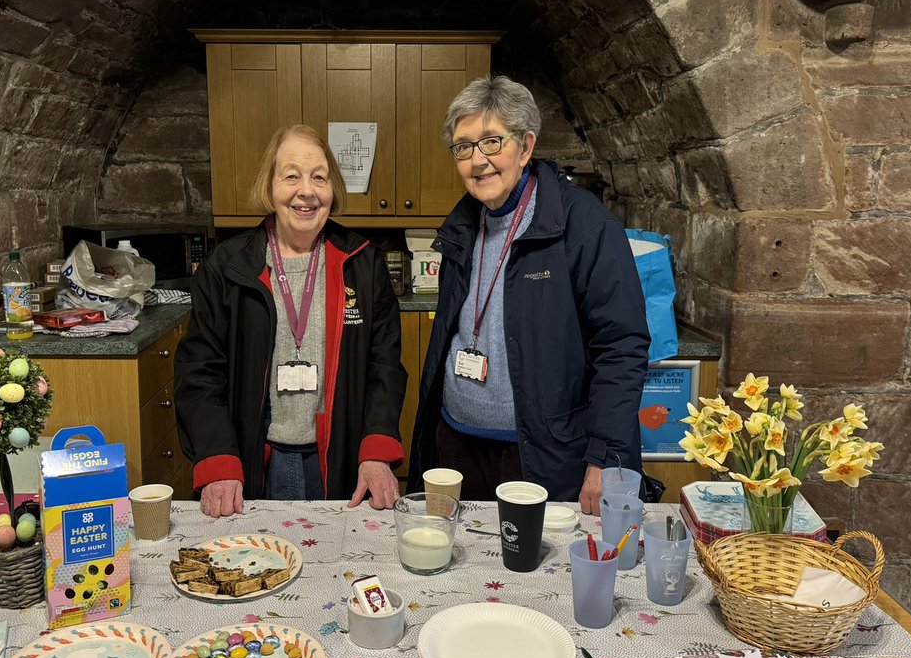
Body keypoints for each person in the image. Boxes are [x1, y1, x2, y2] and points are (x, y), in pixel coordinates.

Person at [408, 75, 650, 515]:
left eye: (491, 142)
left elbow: (622, 348)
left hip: (540, 454)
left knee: (539, 578)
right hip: (457, 443)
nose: (477, 160)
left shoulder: (584, 226)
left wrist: (606, 460)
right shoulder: (462, 224)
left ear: (526, 146)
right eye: (463, 147)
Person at [176, 124, 407, 517]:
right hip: (253, 465)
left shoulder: (363, 264)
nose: (307, 190)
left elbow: (384, 366)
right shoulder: (227, 268)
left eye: (320, 176)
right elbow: (200, 372)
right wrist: (217, 458)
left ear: (333, 188)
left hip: (343, 463)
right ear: (269, 187)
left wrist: (377, 451)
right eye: (291, 176)